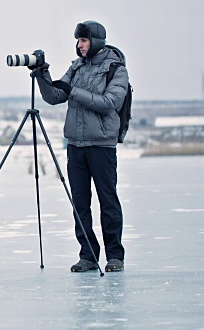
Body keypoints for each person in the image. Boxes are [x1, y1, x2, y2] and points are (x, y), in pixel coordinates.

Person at [30, 20, 128, 273]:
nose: (79, 45)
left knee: (107, 200)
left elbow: (109, 103)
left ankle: (115, 256)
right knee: (80, 203)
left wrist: (72, 91)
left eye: (83, 40)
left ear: (95, 41)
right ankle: (88, 256)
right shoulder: (77, 67)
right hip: (76, 144)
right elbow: (54, 96)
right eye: (78, 41)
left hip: (101, 145)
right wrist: (42, 74)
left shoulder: (116, 68)